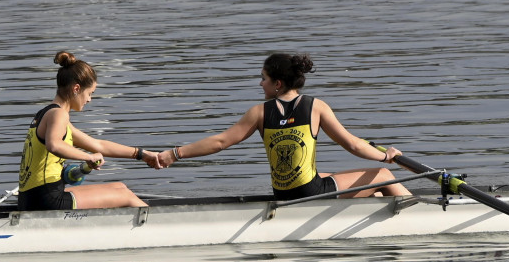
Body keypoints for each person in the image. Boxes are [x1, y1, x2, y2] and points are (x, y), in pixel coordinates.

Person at [156, 53, 411, 200]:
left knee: (351, 184)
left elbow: (220, 142)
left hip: (284, 193)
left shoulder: (258, 113)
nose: (260, 84)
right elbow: (352, 144)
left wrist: (174, 154)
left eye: (263, 78)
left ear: (277, 84)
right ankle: (422, 216)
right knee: (383, 176)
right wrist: (386, 157)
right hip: (309, 193)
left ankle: (375, 204)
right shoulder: (316, 107)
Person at [18, 51, 159, 211]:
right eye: (90, 93)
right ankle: (162, 226)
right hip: (46, 201)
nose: (89, 99)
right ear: (76, 88)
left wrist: (142, 154)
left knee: (120, 188)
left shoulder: (47, 113)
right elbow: (54, 145)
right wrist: (88, 157)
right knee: (126, 197)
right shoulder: (59, 114)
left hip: (32, 198)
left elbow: (98, 145)